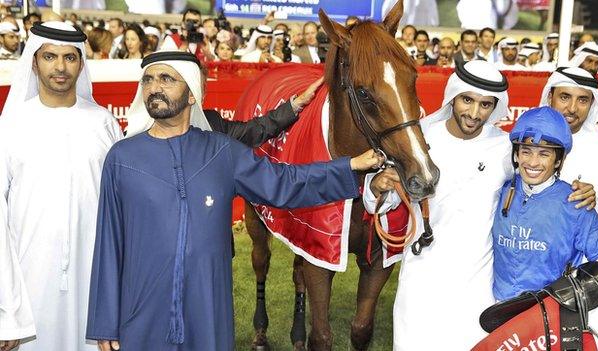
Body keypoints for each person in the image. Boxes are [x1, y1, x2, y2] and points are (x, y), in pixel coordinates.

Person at [85, 51, 382, 351]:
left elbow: (284, 182)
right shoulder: (122, 159)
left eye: (166, 79)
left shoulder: (222, 152)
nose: (153, 87)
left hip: (208, 309)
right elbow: (109, 245)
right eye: (148, 80)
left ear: (192, 95)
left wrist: (349, 167)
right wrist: (105, 322)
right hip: (142, 309)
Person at [363, 61, 596, 350]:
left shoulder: (503, 147)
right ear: (453, 96)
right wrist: (377, 186)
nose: (474, 113)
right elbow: (380, 201)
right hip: (423, 274)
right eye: (467, 100)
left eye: (486, 105)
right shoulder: (419, 138)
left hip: (478, 279)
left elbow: (540, 184)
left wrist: (579, 191)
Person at [0, 21, 123, 351]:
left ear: (81, 63)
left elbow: (122, 215)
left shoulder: (104, 124)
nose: (60, 67)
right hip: (28, 284)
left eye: (70, 57)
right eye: (50, 56)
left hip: (93, 283)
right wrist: (7, 314)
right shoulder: (10, 126)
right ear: (34, 61)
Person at [491, 106, 598, 349]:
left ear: (559, 159)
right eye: (526, 151)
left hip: (547, 321)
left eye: (544, 154)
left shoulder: (575, 202)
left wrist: (570, 294)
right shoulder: (499, 190)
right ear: (516, 155)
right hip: (499, 314)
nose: (532, 162)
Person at [540, 66, 598, 260]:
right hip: (531, 266)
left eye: (582, 100)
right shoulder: (526, 143)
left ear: (592, 103)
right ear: (550, 96)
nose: (572, 108)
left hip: (584, 273)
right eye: (564, 97)